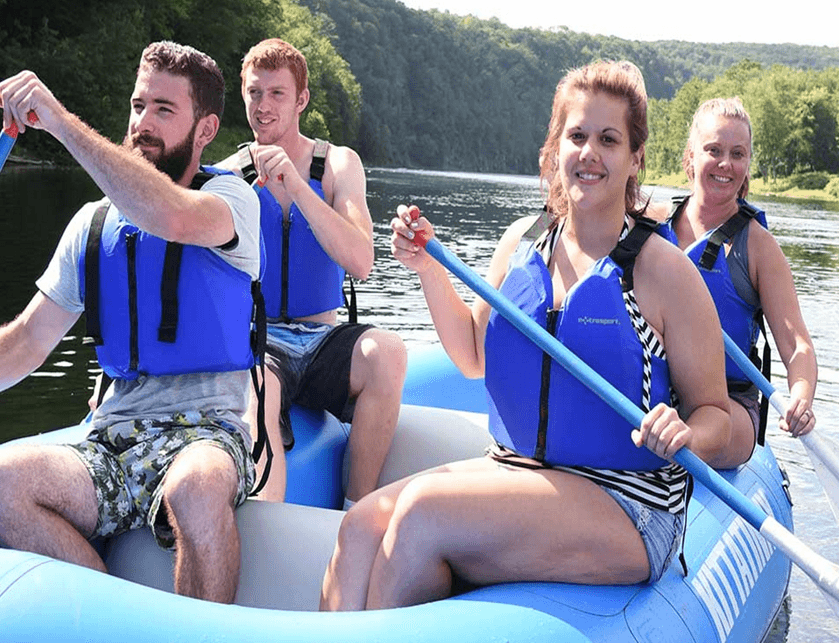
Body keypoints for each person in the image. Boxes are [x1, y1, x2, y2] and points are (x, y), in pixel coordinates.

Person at [0, 41, 262, 604]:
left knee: (194, 487)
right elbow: (26, 341)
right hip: (113, 439)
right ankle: (113, 618)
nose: (143, 123)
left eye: (164, 110)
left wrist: (62, 124)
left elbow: (168, 214)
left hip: (209, 431)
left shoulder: (234, 201)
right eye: (138, 105)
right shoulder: (92, 226)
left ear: (207, 127)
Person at [320, 61, 733, 611]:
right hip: (515, 470)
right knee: (360, 527)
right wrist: (427, 269)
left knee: (422, 512)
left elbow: (720, 417)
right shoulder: (523, 242)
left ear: (635, 158)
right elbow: (471, 355)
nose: (589, 153)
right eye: (577, 135)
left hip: (626, 501)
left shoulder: (663, 271)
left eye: (608, 140)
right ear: (557, 145)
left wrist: (684, 431)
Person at [219, 38, 406, 506]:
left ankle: (355, 509)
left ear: (301, 100)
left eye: (277, 94)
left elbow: (362, 261)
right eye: (254, 93)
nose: (263, 106)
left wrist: (299, 188)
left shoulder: (336, 164)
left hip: (323, 340)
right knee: (256, 392)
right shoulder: (227, 176)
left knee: (387, 352)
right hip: (263, 344)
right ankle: (273, 526)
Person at [647, 97, 817, 467]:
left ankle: (681, 444)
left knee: (702, 430)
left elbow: (797, 345)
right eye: (714, 150)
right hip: (656, 392)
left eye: (737, 154)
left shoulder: (758, 247)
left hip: (729, 405)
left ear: (747, 166)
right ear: (690, 157)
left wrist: (801, 395)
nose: (726, 164)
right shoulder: (649, 225)